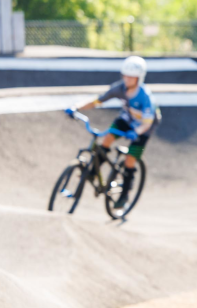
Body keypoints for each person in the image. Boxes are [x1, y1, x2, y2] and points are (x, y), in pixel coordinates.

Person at [65, 56, 159, 209]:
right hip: (127, 120)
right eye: (125, 75)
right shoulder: (119, 88)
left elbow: (147, 123)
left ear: (139, 78)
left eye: (131, 77)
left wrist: (136, 132)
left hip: (144, 129)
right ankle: (94, 172)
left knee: (131, 158)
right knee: (107, 139)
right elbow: (97, 101)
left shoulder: (145, 97)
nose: (127, 79)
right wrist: (76, 107)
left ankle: (124, 195)